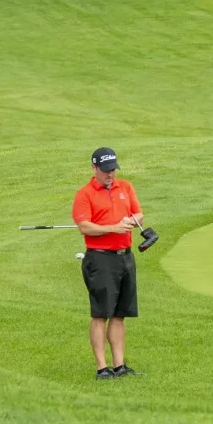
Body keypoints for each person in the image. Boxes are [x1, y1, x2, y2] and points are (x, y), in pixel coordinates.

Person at [72, 147, 145, 380]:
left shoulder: (125, 187)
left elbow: (138, 214)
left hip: (125, 257)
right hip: (100, 258)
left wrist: (131, 221)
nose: (110, 174)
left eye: (112, 169)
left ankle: (119, 366)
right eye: (105, 170)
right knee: (100, 314)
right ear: (94, 168)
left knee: (119, 314)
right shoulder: (84, 194)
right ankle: (102, 369)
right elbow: (85, 227)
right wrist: (113, 227)